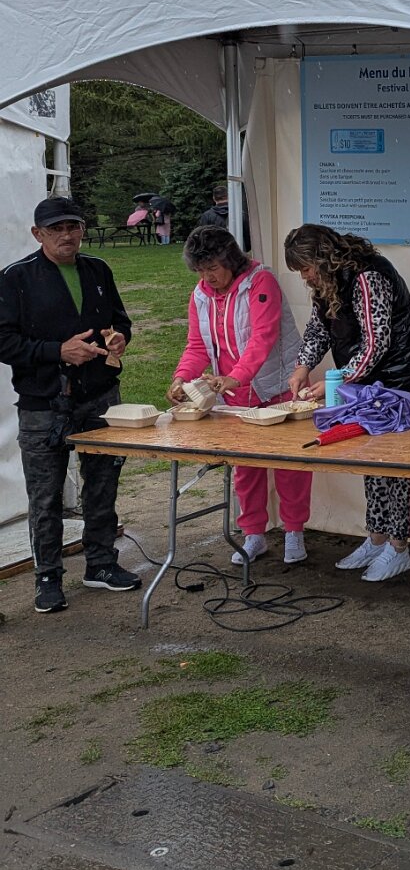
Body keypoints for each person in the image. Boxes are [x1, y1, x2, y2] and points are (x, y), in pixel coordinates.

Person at [0, 195, 142, 613]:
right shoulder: (15, 277)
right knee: (45, 495)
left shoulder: (97, 269)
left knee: (102, 483)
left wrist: (120, 337)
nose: (66, 236)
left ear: (82, 230)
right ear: (37, 234)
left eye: (73, 227)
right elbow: (4, 341)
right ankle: (47, 576)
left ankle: (101, 562)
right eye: (56, 229)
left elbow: (120, 319)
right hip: (43, 401)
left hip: (99, 396)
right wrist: (56, 351)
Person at [284, 225, 410, 582]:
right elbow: (319, 330)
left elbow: (375, 342)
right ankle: (377, 537)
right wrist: (302, 367)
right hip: (368, 384)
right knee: (371, 458)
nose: (304, 276)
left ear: (324, 258)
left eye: (306, 268)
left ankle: (399, 547)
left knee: (401, 464)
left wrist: (338, 380)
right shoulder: (327, 283)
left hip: (405, 380)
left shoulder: (369, 277)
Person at [170, 226, 313, 566]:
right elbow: (196, 345)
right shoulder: (200, 295)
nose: (207, 277)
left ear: (231, 259)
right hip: (235, 393)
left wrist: (235, 377)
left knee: (290, 465)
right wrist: (181, 377)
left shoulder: (261, 281)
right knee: (245, 468)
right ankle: (253, 534)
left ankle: (294, 531)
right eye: (200, 270)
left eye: (213, 268)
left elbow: (263, 337)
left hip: (277, 386)